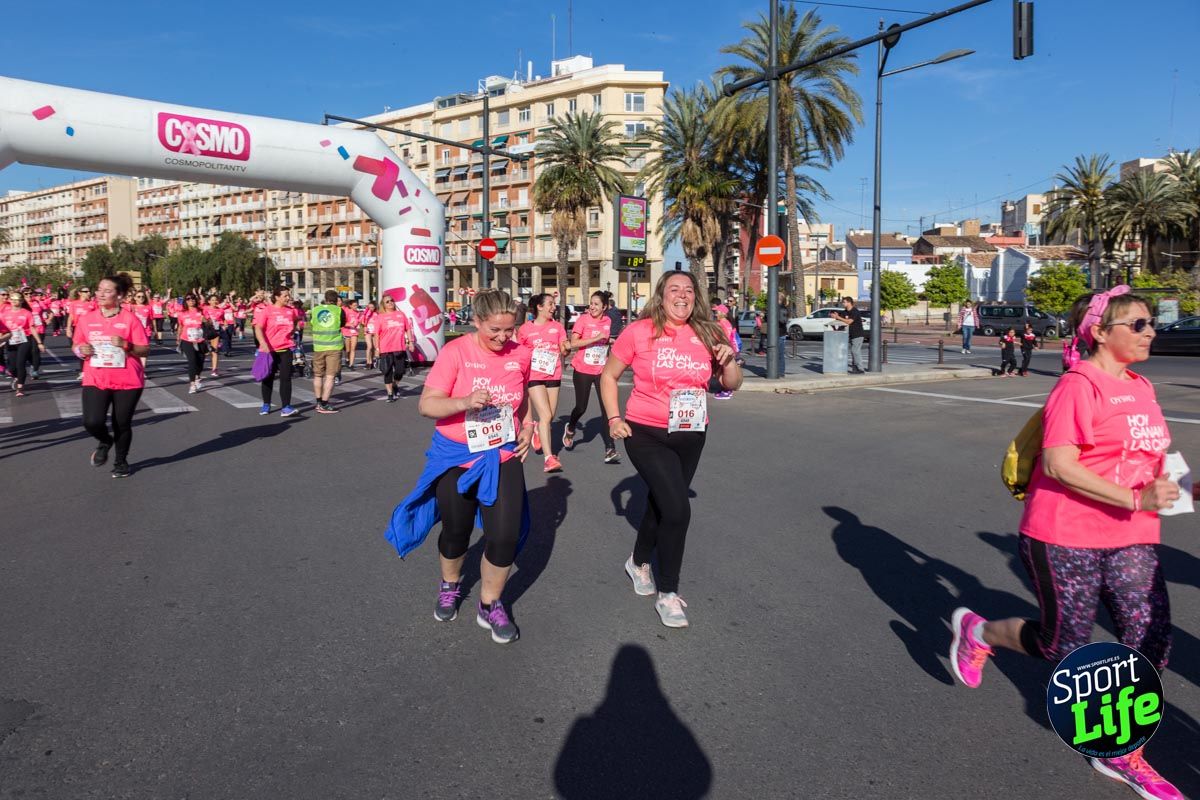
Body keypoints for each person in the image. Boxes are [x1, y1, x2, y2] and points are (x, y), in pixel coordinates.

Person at [950, 286, 1191, 800]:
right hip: (1065, 536)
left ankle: (1122, 751)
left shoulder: (1142, 387)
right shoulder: (1077, 387)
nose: (1151, 332)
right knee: (1063, 645)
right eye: (1139, 324)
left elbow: (1152, 460)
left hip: (1132, 538)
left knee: (1150, 640)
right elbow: (1060, 464)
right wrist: (1134, 497)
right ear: (1101, 332)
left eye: (1151, 323)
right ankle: (980, 632)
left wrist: (1185, 489)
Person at [385, 289, 533, 645]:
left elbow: (523, 398)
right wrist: (464, 401)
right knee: (456, 530)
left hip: (501, 455)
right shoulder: (456, 352)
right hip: (455, 455)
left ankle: (490, 603)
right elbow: (427, 405)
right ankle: (450, 585)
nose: (502, 337)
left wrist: (528, 427)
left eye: (509, 330)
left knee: (505, 536)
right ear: (477, 321)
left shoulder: (521, 354)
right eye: (494, 330)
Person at [600, 271, 741, 628]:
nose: (682, 296)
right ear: (661, 295)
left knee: (660, 503)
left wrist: (728, 361)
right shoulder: (639, 331)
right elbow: (608, 375)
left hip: (691, 432)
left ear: (697, 297)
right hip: (644, 430)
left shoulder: (709, 332)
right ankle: (668, 593)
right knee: (678, 510)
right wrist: (614, 418)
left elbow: (731, 384)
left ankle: (638, 561)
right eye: (674, 289)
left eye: (689, 291)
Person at [72, 274, 150, 478]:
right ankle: (105, 440)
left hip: (127, 379)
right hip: (96, 377)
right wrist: (82, 350)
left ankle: (121, 461)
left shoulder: (130, 319)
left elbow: (144, 350)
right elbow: (76, 344)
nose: (100, 294)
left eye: (107, 291)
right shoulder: (87, 319)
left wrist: (127, 345)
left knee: (121, 423)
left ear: (120, 295)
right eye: (99, 290)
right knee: (92, 421)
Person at [563, 291, 619, 464]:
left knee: (606, 409)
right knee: (581, 407)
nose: (593, 307)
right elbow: (573, 343)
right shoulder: (583, 320)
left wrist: (610, 341)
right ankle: (570, 428)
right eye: (591, 303)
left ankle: (610, 449)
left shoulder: (608, 321)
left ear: (604, 307)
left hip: (602, 370)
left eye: (596, 304)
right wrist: (596, 337)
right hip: (583, 369)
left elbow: (605, 339)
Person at [516, 292, 568, 473]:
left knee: (549, 416)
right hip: (535, 376)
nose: (554, 307)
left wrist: (566, 349)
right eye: (550, 304)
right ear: (539, 307)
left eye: (554, 304)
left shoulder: (558, 327)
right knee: (546, 416)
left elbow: (563, 346)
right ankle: (549, 458)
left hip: (554, 375)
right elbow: (518, 352)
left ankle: (538, 429)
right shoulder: (525, 329)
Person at [254, 286, 299, 417]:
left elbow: (297, 321)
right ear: (277, 297)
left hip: (286, 348)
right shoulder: (267, 310)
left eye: (288, 295)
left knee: (286, 378)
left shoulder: (291, 311)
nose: (288, 298)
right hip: (269, 350)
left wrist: (293, 332)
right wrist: (263, 343)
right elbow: (258, 328)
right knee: (268, 377)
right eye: (285, 295)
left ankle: (286, 407)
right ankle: (266, 404)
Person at [307, 290, 345, 414]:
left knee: (318, 375)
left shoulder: (316, 310)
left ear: (325, 298)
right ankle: (324, 403)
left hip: (318, 347)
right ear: (336, 300)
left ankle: (318, 402)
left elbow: (312, 323)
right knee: (330, 376)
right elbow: (343, 324)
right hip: (334, 347)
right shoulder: (339, 311)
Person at [1, 291, 45, 397]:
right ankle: (17, 377)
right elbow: (2, 330)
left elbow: (32, 328)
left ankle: (20, 387)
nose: (16, 302)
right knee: (11, 367)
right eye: (13, 300)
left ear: (21, 301)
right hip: (10, 341)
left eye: (18, 300)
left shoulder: (26, 313)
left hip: (24, 341)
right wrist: (2, 340)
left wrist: (39, 342)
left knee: (20, 363)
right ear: (10, 301)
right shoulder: (4, 315)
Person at [373, 294, 414, 404]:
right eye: (387, 302)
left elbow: (408, 329)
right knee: (387, 372)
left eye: (392, 300)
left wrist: (411, 342)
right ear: (383, 305)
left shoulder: (401, 314)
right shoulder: (380, 317)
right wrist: (377, 348)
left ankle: (395, 384)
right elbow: (376, 334)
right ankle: (390, 394)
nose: (390, 302)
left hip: (399, 347)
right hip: (385, 348)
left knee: (400, 371)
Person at [176, 295, 208, 394]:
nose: (191, 301)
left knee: (201, 361)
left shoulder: (201, 311)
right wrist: (178, 338)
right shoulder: (182, 313)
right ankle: (192, 384)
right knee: (192, 361)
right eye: (188, 299)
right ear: (185, 301)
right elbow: (180, 326)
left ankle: (197, 376)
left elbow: (209, 323)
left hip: (200, 340)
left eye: (193, 299)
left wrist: (205, 321)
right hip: (187, 339)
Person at [831, 296, 865, 374]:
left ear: (849, 302)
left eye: (844, 302)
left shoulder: (855, 311)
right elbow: (839, 317)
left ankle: (860, 369)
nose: (843, 303)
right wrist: (835, 316)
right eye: (843, 302)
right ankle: (855, 368)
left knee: (855, 351)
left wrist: (838, 317)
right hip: (850, 334)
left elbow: (849, 321)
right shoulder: (845, 312)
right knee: (854, 352)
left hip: (858, 334)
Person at [341, 299, 361, 370]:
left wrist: (358, 324)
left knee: (353, 349)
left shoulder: (358, 313)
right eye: (354, 305)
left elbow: (358, 321)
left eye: (356, 305)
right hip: (346, 331)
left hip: (354, 332)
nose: (356, 307)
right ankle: (347, 359)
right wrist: (349, 324)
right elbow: (343, 322)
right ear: (350, 306)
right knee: (348, 350)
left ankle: (351, 364)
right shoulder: (346, 311)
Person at [361, 300, 379, 369]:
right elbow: (362, 321)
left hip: (375, 331)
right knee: (369, 346)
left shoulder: (377, 313)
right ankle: (368, 362)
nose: (371, 308)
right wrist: (364, 326)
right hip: (368, 331)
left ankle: (374, 361)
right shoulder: (365, 313)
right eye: (369, 307)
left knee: (375, 347)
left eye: (372, 307)